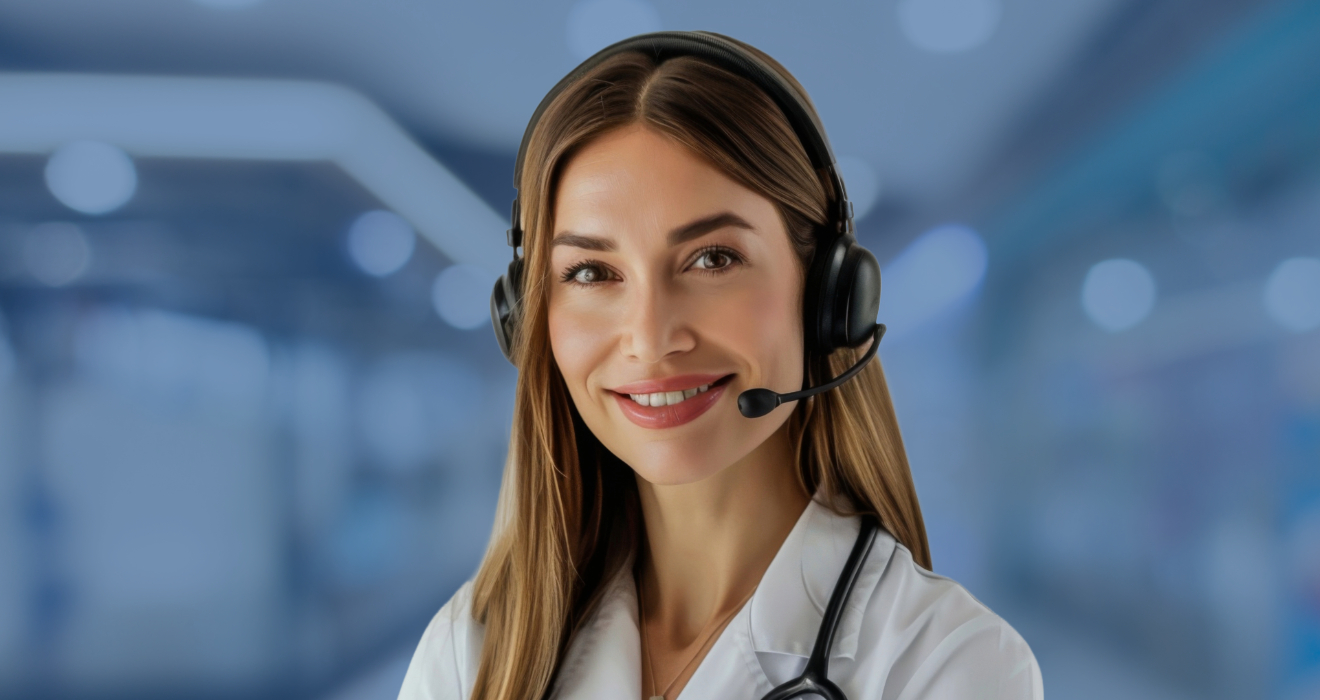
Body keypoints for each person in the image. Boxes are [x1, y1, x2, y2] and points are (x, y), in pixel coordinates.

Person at [397, 31, 1042, 700]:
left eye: (713, 259)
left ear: (826, 293)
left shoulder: (949, 663)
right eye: (591, 271)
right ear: (528, 318)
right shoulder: (473, 650)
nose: (650, 338)